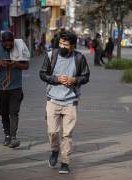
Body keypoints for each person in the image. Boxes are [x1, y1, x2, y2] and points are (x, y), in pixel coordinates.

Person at [39, 30, 90, 174]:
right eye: (60, 43)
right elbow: (42, 74)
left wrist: (74, 80)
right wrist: (56, 79)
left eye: (65, 44)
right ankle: (55, 150)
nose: (62, 46)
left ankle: (65, 162)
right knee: (52, 132)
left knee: (67, 135)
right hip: (52, 100)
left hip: (70, 101)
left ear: (72, 46)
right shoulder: (51, 55)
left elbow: (86, 77)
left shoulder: (79, 58)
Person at [0, 31, 30, 148]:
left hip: (16, 87)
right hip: (1, 87)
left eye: (11, 42)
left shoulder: (19, 48)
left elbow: (26, 66)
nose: (9, 45)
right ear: (1, 42)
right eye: (6, 43)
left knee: (14, 112)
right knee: (3, 113)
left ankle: (13, 137)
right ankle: (7, 136)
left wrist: (15, 64)